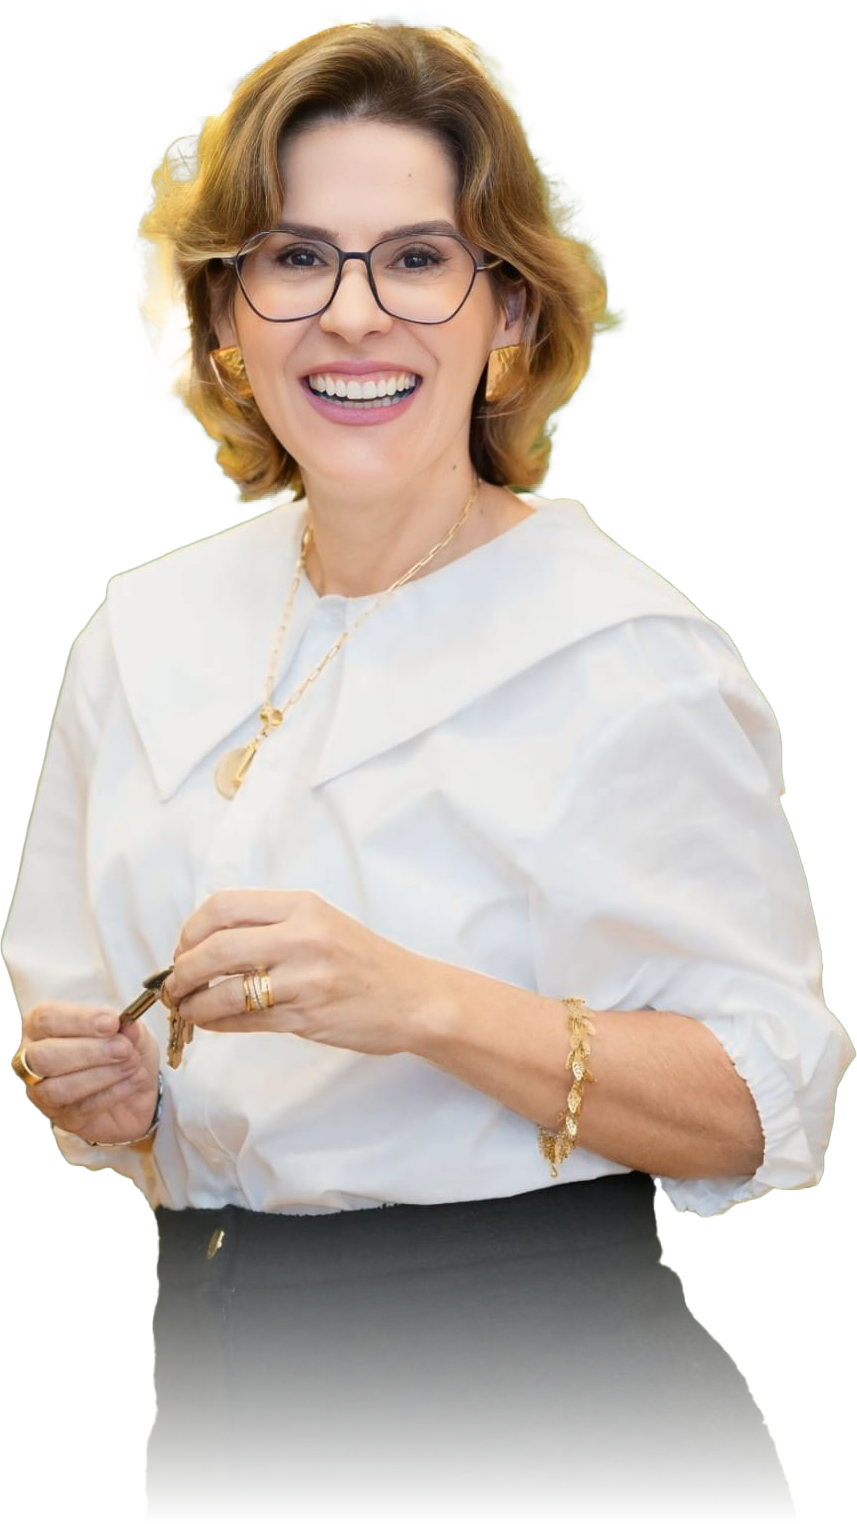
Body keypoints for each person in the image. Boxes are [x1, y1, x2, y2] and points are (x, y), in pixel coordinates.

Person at [3, 18, 854, 1523]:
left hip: (554, 1434)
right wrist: (113, 1096)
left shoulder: (626, 652)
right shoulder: (139, 632)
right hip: (217, 1404)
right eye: (294, 258)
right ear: (225, 316)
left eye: (416, 259)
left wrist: (423, 1005)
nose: (353, 314)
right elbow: (115, 1073)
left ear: (508, 312)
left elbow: (757, 1103)